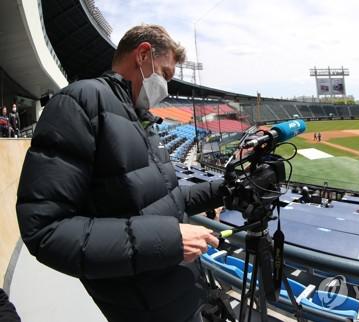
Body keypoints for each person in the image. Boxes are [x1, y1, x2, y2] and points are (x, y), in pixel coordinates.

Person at [16, 25, 222, 322]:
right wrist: (168, 239)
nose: (165, 86)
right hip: (142, 307)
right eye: (164, 74)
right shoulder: (79, 102)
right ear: (143, 55)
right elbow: (46, 231)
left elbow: (165, 200)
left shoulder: (139, 118)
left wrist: (224, 188)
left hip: (177, 295)